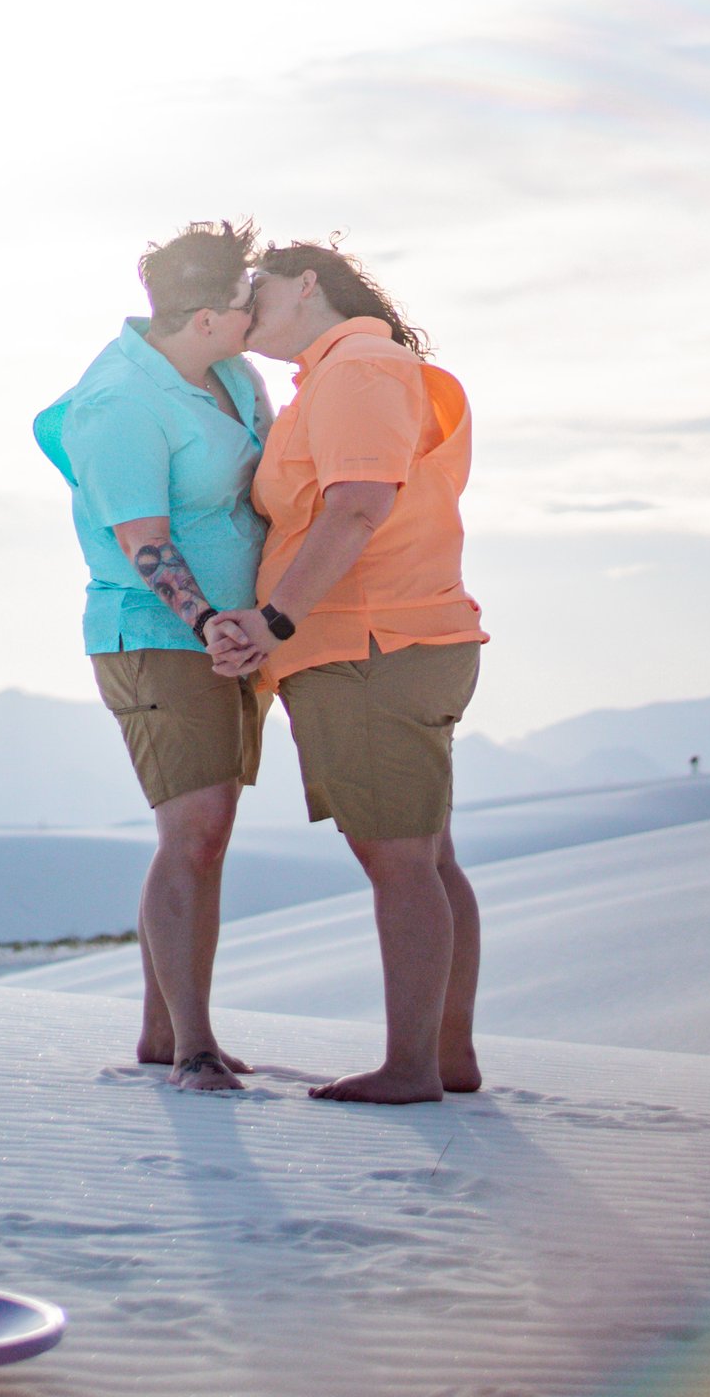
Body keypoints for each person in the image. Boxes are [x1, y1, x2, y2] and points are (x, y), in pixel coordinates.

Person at [207, 243, 488, 1104]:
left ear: (306, 284)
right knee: (426, 858)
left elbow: (359, 505)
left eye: (255, 289)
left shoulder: (360, 369)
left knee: (401, 862)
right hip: (388, 640)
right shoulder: (341, 375)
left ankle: (412, 1069)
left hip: (372, 644)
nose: (243, 308)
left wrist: (274, 618)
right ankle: (444, 1057)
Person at [33, 220, 271, 1092]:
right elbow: (144, 539)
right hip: (159, 633)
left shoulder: (230, 378)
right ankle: (193, 1047)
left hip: (232, 638)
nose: (260, 314)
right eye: (249, 301)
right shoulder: (120, 404)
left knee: (210, 833)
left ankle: (162, 1031)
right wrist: (208, 621)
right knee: (194, 831)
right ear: (208, 314)